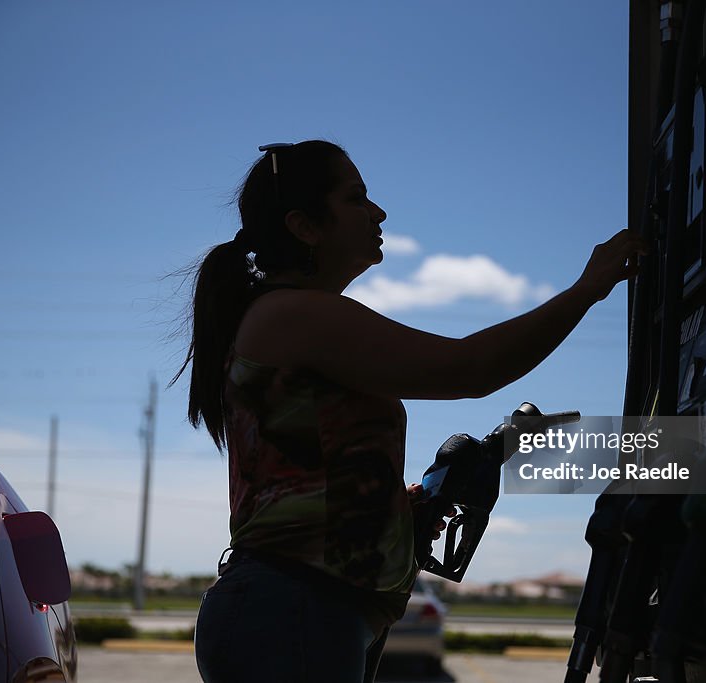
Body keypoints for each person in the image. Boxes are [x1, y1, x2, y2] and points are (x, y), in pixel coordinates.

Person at [176, 140, 647, 683]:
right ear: (305, 225)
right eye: (356, 198)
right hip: (292, 610)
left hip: (302, 611)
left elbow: (310, 479)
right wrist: (587, 289)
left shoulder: (291, 316)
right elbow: (466, 368)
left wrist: (401, 509)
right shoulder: (295, 313)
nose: (377, 212)